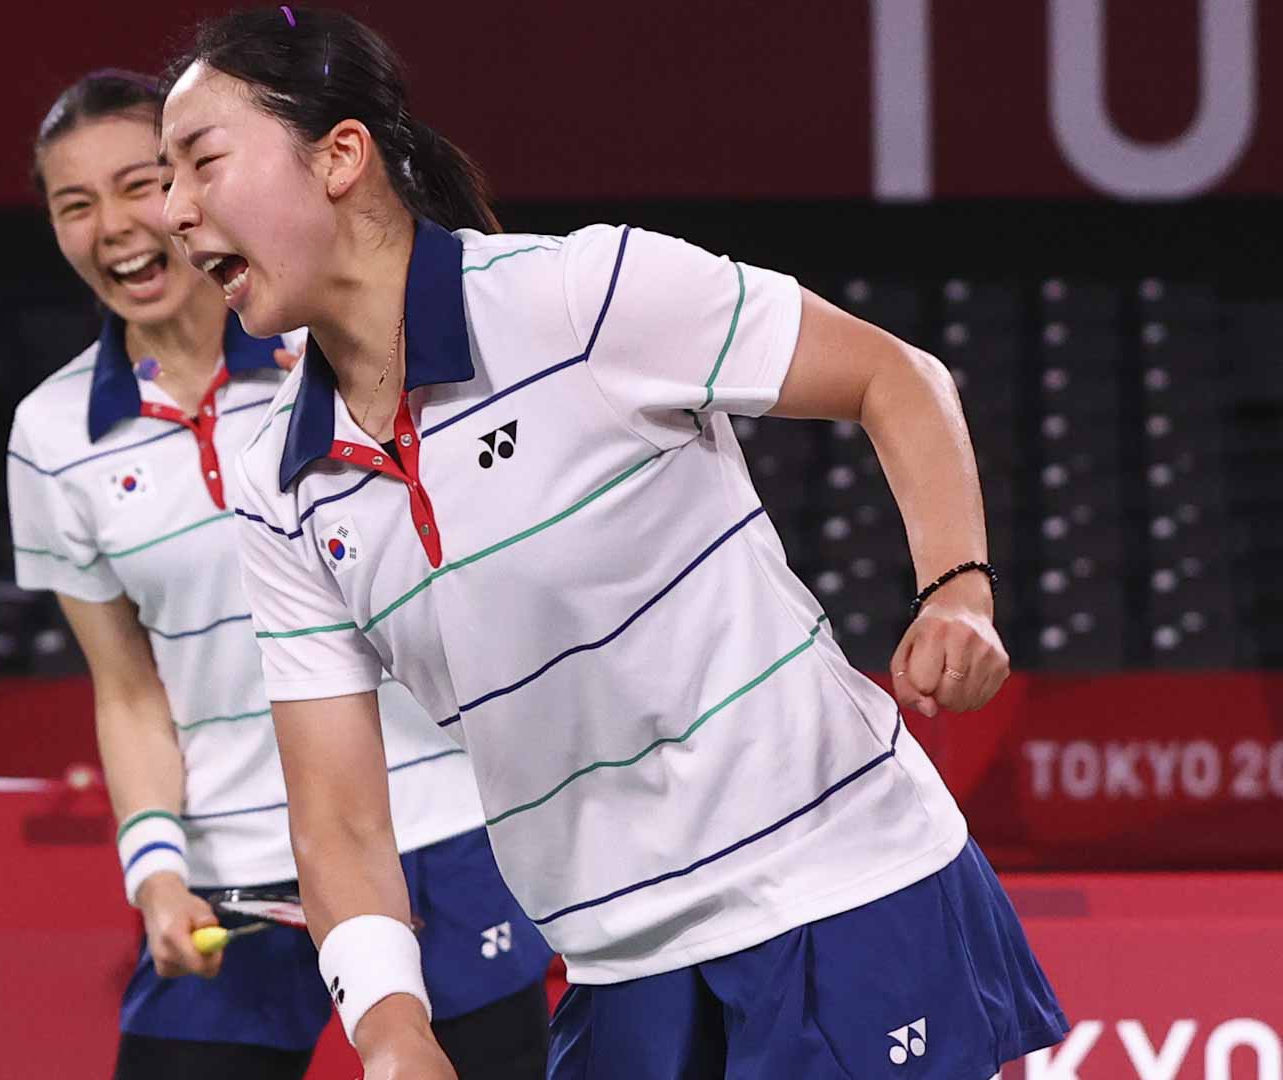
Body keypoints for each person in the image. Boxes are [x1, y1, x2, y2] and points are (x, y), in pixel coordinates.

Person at [155, 9, 1068, 1079]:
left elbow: (895, 376)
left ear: (340, 156)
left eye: (200, 163)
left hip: (840, 892)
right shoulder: (284, 485)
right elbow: (341, 820)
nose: (173, 211)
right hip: (614, 959)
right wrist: (391, 1026)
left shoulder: (582, 298)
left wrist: (956, 587)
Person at [8, 68, 552, 1079]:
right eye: (74, 204)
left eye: (140, 184)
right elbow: (128, 693)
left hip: (432, 834)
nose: (117, 226)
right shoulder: (49, 437)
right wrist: (157, 873)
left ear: (192, 192)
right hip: (232, 875)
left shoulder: (336, 357)